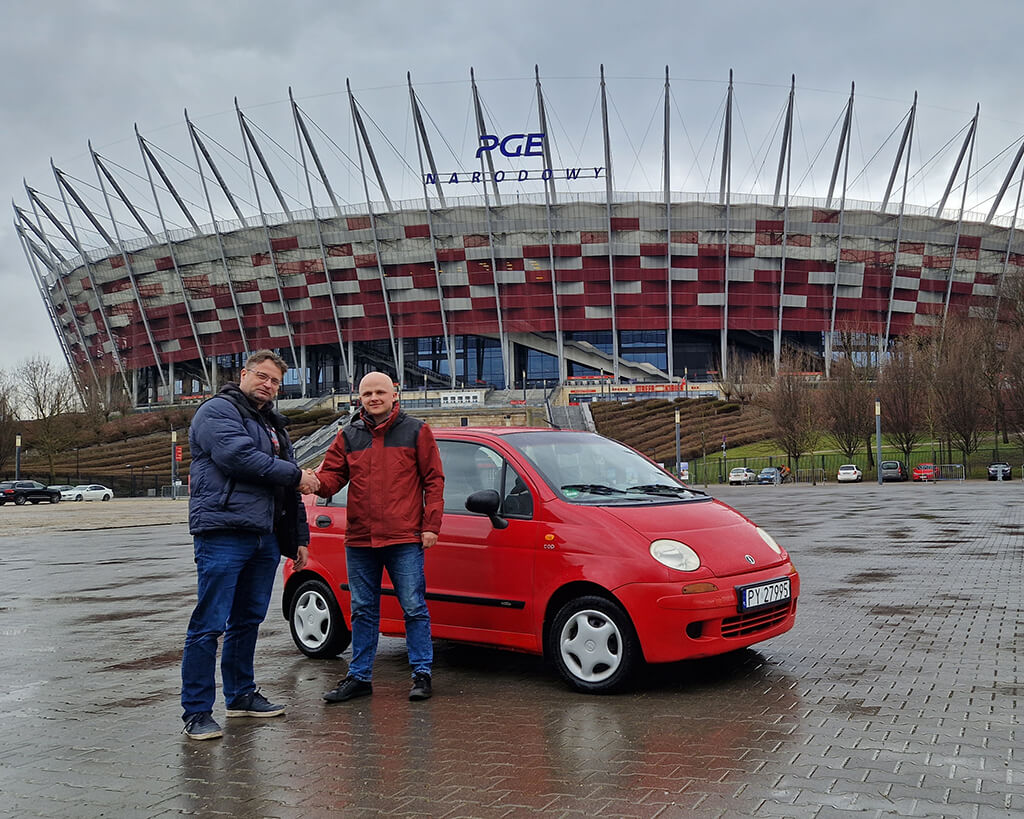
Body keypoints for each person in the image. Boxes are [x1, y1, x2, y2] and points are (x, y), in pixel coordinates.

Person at [180, 350, 320, 740]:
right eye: (262, 376)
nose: (268, 385)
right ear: (243, 374)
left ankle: (240, 696)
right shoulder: (216, 412)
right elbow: (238, 457)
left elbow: (286, 492)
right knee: (209, 624)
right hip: (223, 532)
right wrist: (297, 475)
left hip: (265, 537)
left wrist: (298, 539)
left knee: (248, 620)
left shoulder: (274, 424)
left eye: (275, 381)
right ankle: (196, 712)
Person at [317, 371, 444, 703]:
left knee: (414, 607)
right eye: (367, 393)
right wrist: (309, 481)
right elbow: (330, 478)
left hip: (404, 538)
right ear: (359, 398)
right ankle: (360, 677)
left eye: (379, 392)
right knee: (362, 609)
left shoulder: (417, 431)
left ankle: (422, 674)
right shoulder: (348, 436)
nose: (373, 398)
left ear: (394, 394)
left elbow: (434, 480)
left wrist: (431, 525)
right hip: (360, 539)